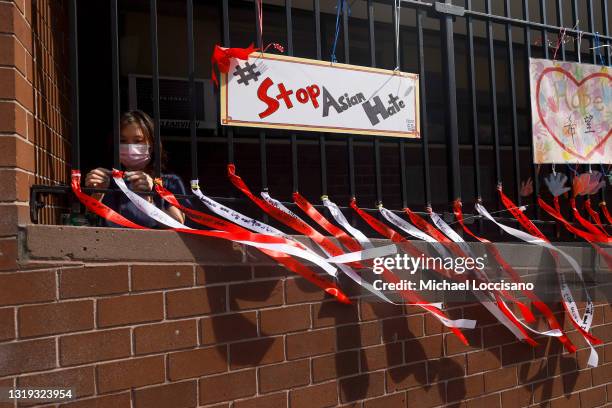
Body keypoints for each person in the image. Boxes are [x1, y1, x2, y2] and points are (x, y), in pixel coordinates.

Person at [84, 110, 186, 227]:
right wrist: (97, 194)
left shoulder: (169, 182)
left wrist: (149, 201)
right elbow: (88, 222)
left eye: (138, 141)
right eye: (123, 141)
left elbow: (178, 222)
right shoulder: (108, 181)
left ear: (151, 146)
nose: (130, 147)